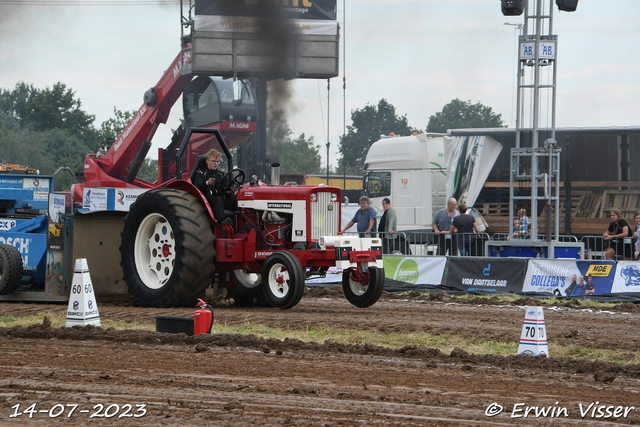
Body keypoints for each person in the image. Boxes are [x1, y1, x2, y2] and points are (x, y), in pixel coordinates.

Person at [193, 149, 233, 225]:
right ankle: (222, 224)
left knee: (237, 201)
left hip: (221, 201)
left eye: (217, 161)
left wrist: (230, 191)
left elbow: (225, 189)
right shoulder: (200, 173)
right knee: (217, 199)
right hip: (208, 201)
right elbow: (196, 186)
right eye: (213, 161)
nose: (215, 164)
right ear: (207, 161)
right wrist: (207, 183)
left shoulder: (221, 175)